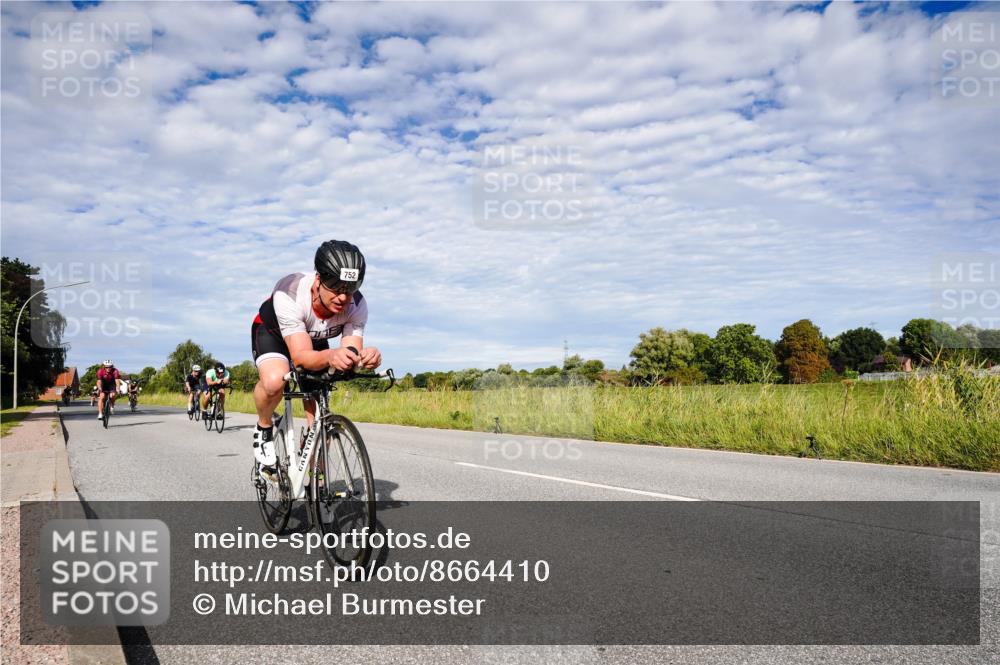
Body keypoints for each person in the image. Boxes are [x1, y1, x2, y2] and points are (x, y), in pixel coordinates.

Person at [250, 240, 381, 466]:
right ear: (318, 279)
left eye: (351, 289)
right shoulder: (290, 292)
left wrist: (364, 359)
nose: (344, 297)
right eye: (336, 287)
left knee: (320, 422)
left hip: (313, 340)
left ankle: (314, 478)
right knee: (274, 382)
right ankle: (263, 427)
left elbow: (350, 351)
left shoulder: (357, 305)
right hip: (273, 334)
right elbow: (301, 357)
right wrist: (332, 356)